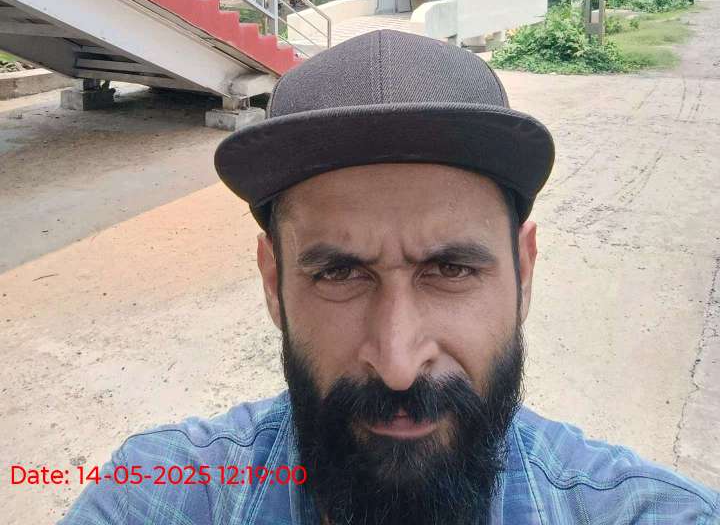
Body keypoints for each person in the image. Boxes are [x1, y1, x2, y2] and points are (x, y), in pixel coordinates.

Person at [61, 30, 719, 524]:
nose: (399, 364)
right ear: (272, 283)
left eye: (451, 269)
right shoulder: (163, 495)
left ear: (524, 271)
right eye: (340, 272)